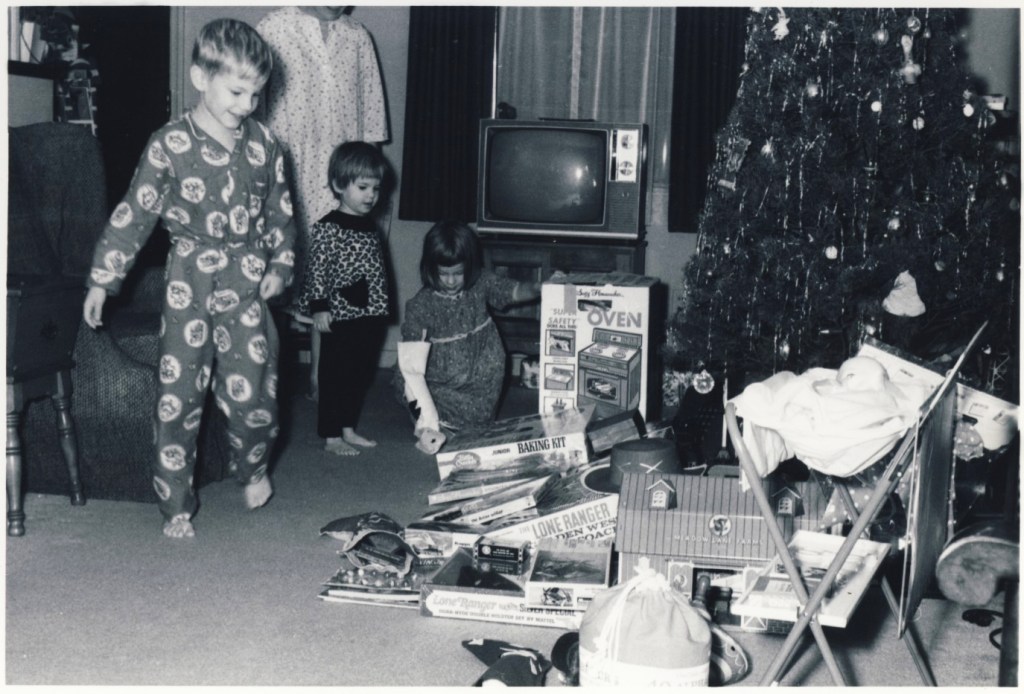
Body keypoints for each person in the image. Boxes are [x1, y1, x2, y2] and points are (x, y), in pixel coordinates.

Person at [82, 19, 296, 539]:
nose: (247, 104)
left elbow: (281, 213)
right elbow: (135, 213)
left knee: (256, 392)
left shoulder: (266, 145)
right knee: (178, 395)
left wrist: (280, 264)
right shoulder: (169, 144)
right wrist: (103, 279)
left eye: (256, 94)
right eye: (236, 92)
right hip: (189, 281)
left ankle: (253, 466)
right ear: (201, 77)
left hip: (245, 279)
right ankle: (175, 504)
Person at [257, 6, 390, 401]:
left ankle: (321, 376)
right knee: (279, 274)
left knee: (335, 278)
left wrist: (366, 184)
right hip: (288, 171)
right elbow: (253, 112)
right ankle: (267, 378)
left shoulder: (358, 36)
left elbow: (372, 122)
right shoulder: (273, 27)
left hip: (340, 176)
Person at [394, 221, 542, 447]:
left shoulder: (481, 282)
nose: (451, 281)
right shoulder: (421, 305)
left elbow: (511, 290)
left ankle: (456, 421)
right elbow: (411, 363)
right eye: (443, 274)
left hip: (482, 376)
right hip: (441, 380)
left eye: (458, 273)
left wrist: (537, 288)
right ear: (430, 268)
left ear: (470, 267)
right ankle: (437, 420)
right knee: (403, 382)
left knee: (476, 419)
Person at [295, 141, 393, 457]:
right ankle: (331, 435)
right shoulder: (328, 227)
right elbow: (317, 269)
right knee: (335, 375)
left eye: (375, 188)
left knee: (359, 374)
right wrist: (319, 307)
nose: (371, 195)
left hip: (369, 314)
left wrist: (379, 309)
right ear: (339, 185)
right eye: (363, 187)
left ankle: (348, 428)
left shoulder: (370, 227)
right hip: (339, 314)